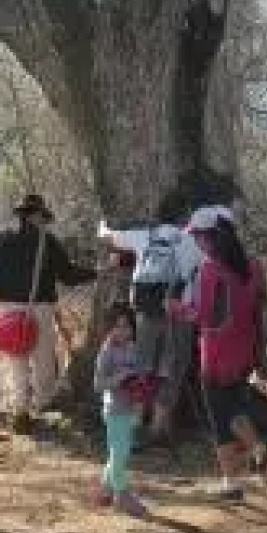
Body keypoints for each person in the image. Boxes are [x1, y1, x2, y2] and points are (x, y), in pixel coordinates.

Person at [0, 194, 96, 432]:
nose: (44, 221)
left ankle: (20, 411)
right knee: (43, 359)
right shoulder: (47, 242)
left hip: (7, 310)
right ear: (34, 216)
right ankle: (44, 406)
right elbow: (68, 275)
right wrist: (98, 272)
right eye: (42, 216)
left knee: (16, 362)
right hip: (39, 308)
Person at [97, 190, 203, 444]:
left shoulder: (145, 235)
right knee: (172, 368)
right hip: (180, 310)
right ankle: (158, 426)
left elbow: (107, 237)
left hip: (146, 310)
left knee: (142, 365)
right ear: (186, 214)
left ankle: (135, 423)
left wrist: (102, 225)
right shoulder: (194, 240)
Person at [180, 207, 267, 500]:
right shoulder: (252, 265)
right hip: (244, 350)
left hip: (216, 353)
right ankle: (237, 475)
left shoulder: (210, 268)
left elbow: (204, 316)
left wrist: (177, 309)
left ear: (210, 237)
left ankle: (253, 456)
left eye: (197, 236)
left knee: (220, 416)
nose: (196, 241)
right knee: (233, 407)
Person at [93, 302, 151, 517]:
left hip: (130, 408)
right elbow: (98, 384)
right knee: (120, 452)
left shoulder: (133, 348)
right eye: (117, 326)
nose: (122, 331)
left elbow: (140, 377)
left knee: (119, 451)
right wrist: (118, 378)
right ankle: (122, 495)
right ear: (108, 328)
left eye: (126, 326)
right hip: (114, 410)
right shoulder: (106, 351)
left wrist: (140, 399)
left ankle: (106, 489)